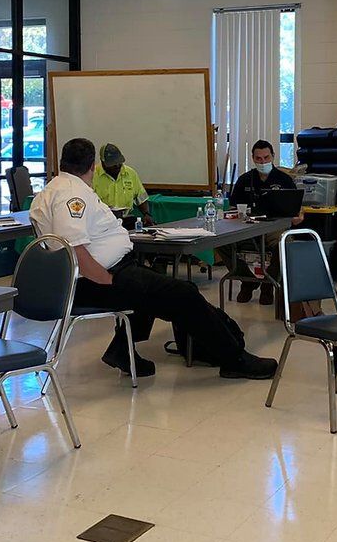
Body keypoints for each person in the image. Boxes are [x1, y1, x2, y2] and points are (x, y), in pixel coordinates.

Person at [30, 137, 277, 380]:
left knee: (163, 287)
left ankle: (123, 351)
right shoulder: (72, 194)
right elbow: (75, 250)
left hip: (93, 276)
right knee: (183, 294)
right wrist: (109, 280)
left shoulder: (52, 189)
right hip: (94, 279)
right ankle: (234, 359)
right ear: (93, 165)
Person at [224, 140, 302, 305]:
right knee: (221, 243)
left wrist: (297, 217)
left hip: (275, 227)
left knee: (285, 243)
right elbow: (232, 207)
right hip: (247, 227)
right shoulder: (245, 180)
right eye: (259, 158)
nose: (263, 162)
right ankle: (247, 280)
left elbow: (297, 208)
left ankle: (268, 284)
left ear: (273, 157)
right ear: (253, 159)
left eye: (266, 158)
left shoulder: (284, 180)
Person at [92, 143, 153, 226]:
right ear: (103, 161)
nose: (117, 165)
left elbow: (141, 198)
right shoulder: (92, 175)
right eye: (113, 164)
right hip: (102, 221)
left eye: (119, 162)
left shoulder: (131, 173)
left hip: (126, 219)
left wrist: (146, 214)